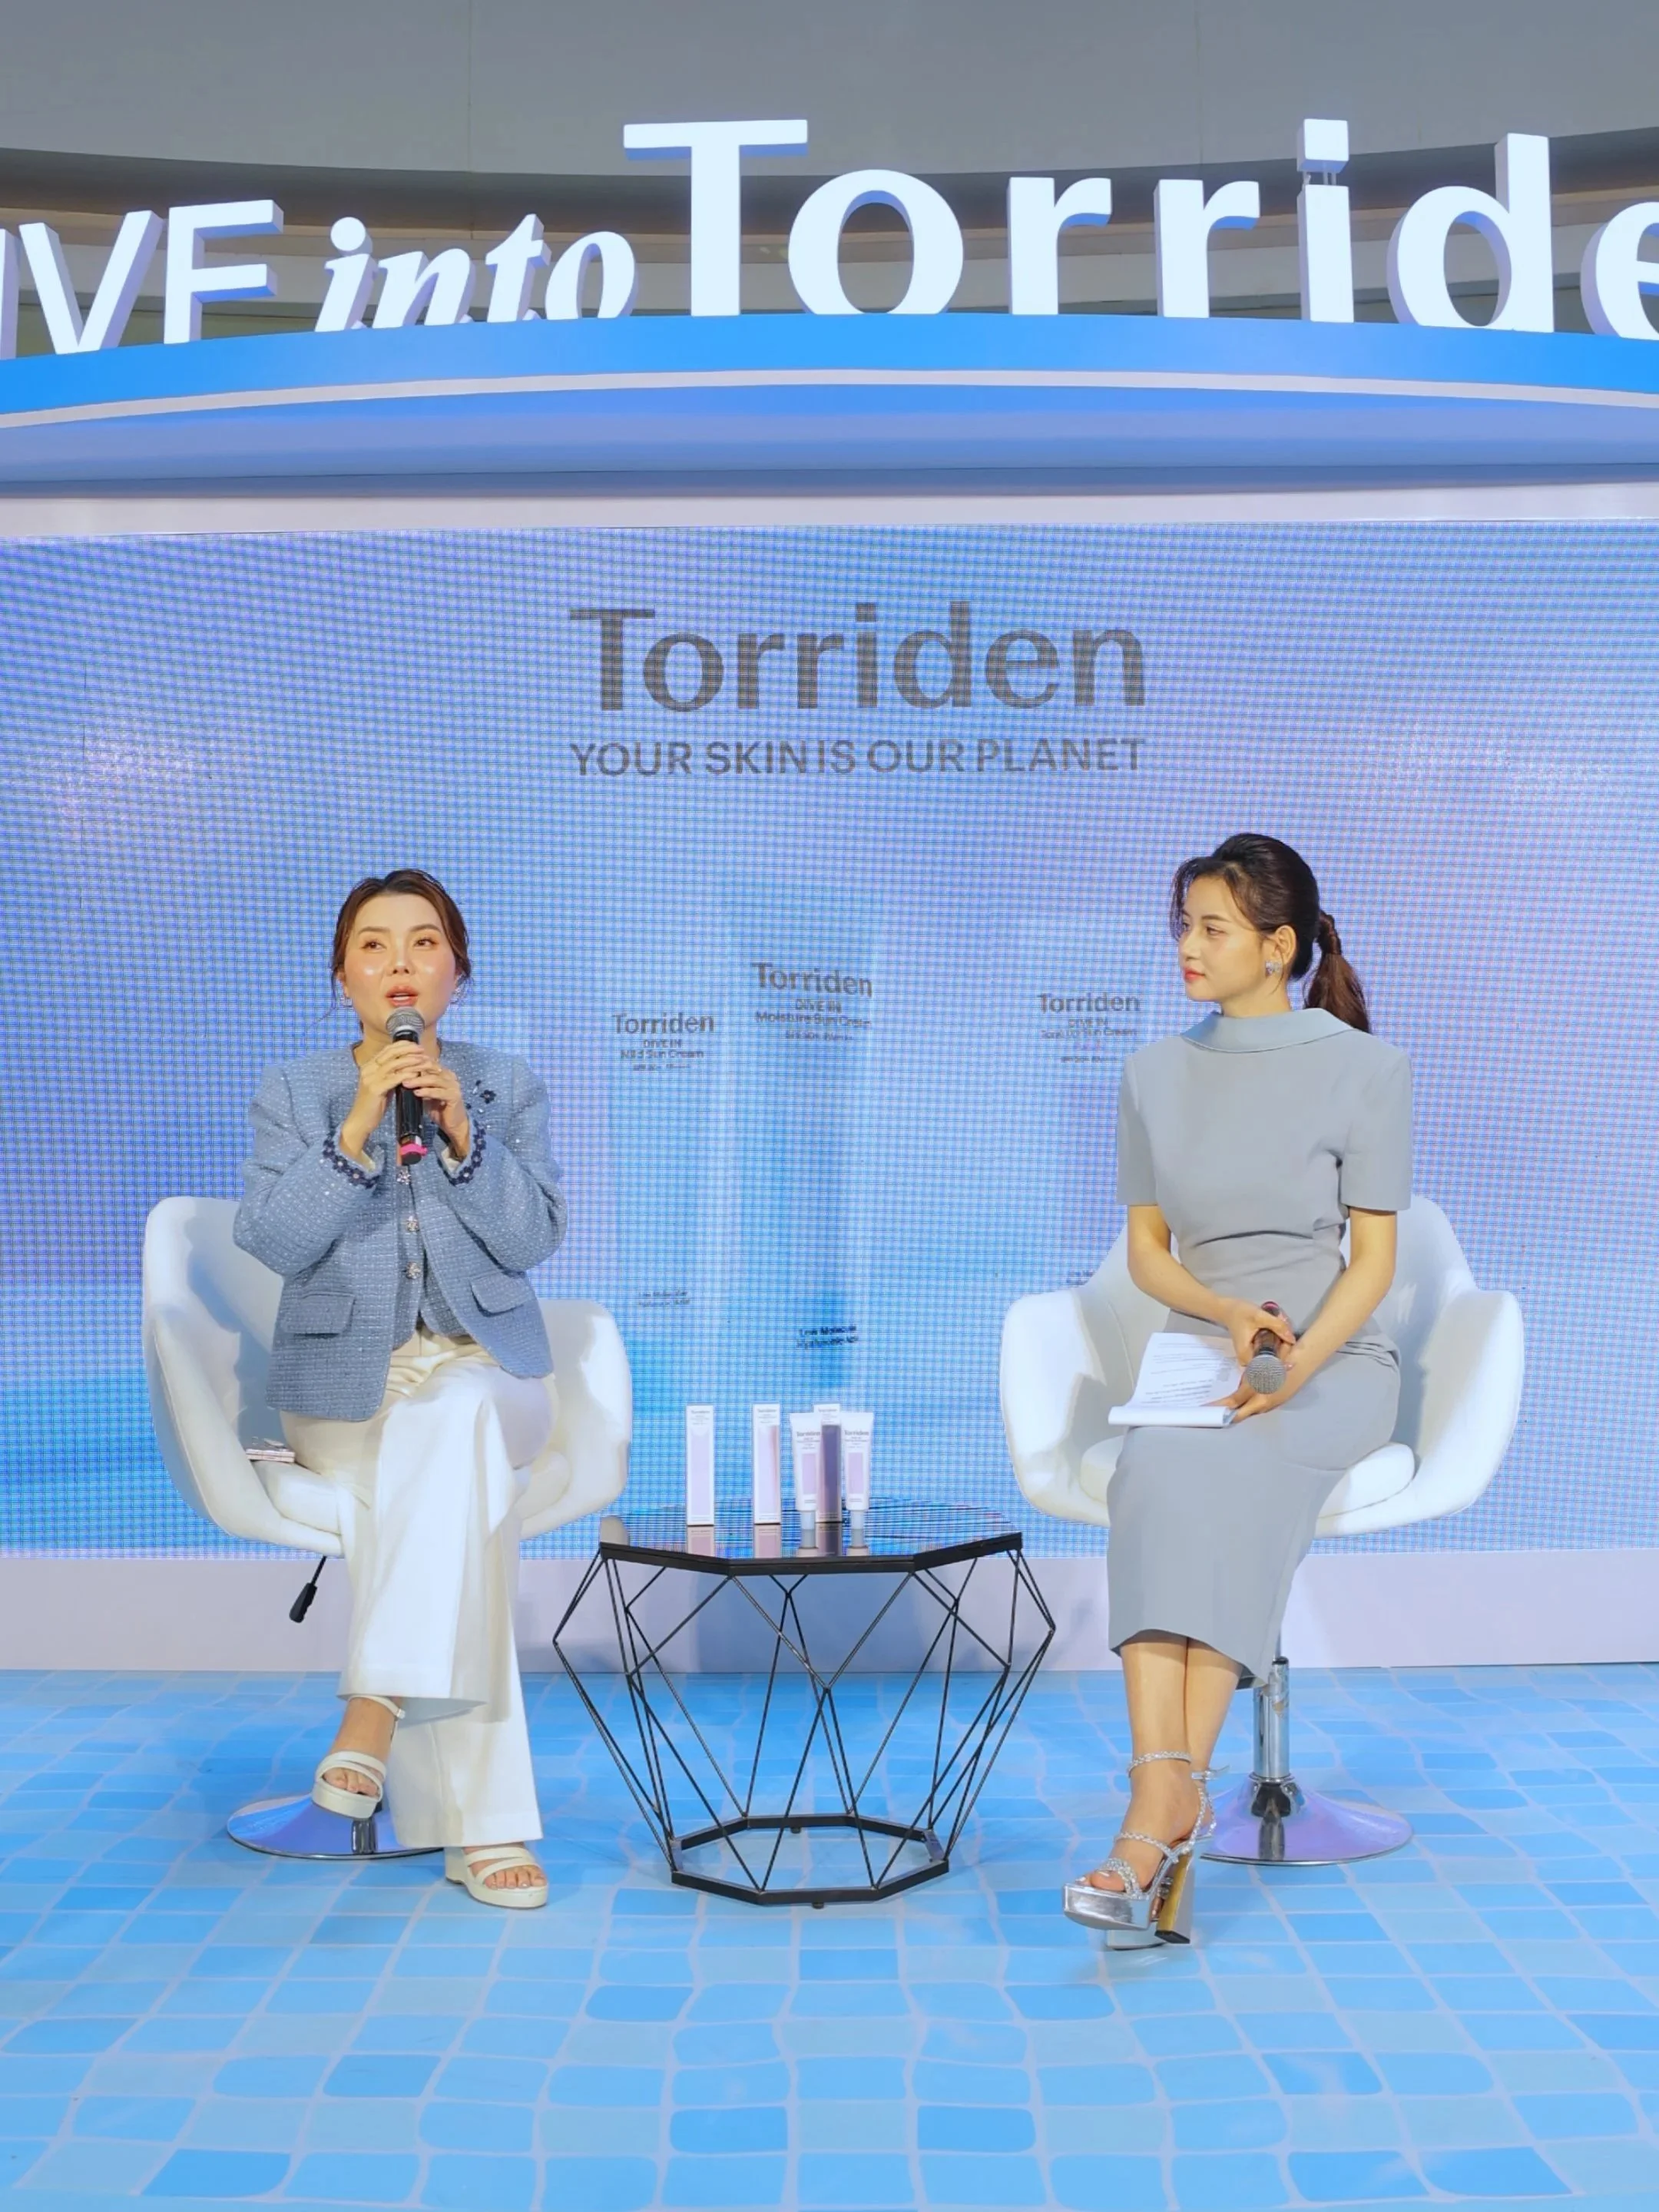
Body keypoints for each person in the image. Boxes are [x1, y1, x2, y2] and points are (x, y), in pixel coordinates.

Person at [1064, 833, 1411, 1945]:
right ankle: (1169, 1804)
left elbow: (1374, 1266)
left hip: (1332, 1365)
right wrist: (1223, 1318)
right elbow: (1151, 1255)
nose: (1187, 948)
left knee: (1232, 1474)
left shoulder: (1368, 1069)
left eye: (1212, 928)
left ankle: (1154, 1816)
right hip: (1209, 1354)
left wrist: (1295, 1360)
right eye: (1183, 926)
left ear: (1280, 946)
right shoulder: (1153, 1073)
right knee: (1158, 1472)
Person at [235, 869, 566, 1908]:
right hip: (344, 1392)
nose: (399, 964)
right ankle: (486, 1830)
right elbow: (277, 1243)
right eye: (373, 946)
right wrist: (357, 1124)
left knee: (459, 1415)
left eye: (423, 944)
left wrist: (463, 1130)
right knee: (460, 1500)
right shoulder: (294, 1092)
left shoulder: (503, 1083)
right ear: (344, 977)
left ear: (455, 972)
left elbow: (533, 1238)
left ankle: (372, 1713)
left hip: (484, 1372)